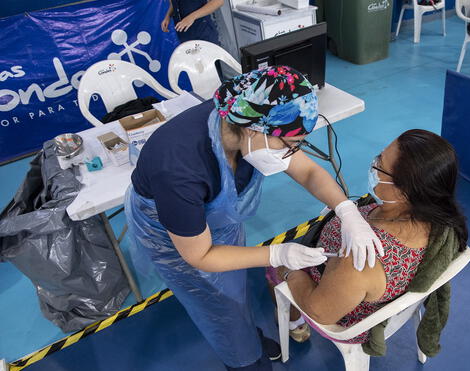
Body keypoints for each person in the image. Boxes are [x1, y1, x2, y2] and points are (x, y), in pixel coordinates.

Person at [124, 66, 383, 371]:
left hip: (216, 219)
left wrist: (347, 210)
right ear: (253, 129)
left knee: (235, 290)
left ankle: (248, 337)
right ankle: (243, 360)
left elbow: (309, 171)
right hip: (175, 237)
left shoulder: (245, 120)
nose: (293, 153)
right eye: (289, 144)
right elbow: (201, 255)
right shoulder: (179, 169)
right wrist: (278, 253)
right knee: (217, 307)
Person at [265, 129, 469, 345]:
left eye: (380, 164)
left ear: (404, 192)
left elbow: (320, 312)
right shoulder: (436, 216)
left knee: (272, 266)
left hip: (342, 305)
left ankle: (294, 325)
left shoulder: (360, 261)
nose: (374, 164)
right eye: (380, 155)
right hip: (368, 292)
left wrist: (288, 272)